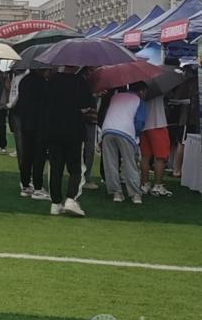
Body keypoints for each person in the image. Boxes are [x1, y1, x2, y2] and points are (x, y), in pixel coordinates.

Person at [43, 67, 94, 217]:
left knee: (55, 168)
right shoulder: (80, 82)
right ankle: (71, 198)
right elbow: (86, 106)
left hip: (54, 130)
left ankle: (55, 203)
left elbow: (45, 102)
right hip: (74, 130)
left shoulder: (52, 81)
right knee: (76, 168)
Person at [100, 84, 146, 204]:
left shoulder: (115, 97)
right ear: (141, 91)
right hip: (126, 131)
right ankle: (135, 194)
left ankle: (117, 193)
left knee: (111, 163)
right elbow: (140, 121)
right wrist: (136, 135)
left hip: (107, 129)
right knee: (130, 163)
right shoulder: (139, 101)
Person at [15, 69, 50, 201]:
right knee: (39, 157)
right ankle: (38, 187)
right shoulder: (43, 83)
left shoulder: (24, 81)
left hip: (26, 123)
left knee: (27, 155)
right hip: (40, 124)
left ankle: (25, 185)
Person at [138, 93, 172, 196]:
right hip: (158, 123)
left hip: (144, 124)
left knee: (145, 156)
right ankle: (158, 185)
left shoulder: (142, 88)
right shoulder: (160, 87)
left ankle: (145, 184)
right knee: (161, 156)